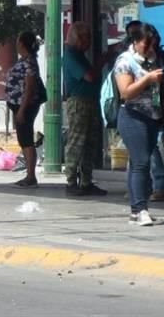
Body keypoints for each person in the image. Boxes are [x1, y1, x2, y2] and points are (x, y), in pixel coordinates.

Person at [114, 23, 164, 227]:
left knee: (140, 163)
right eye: (146, 45)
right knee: (141, 162)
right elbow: (126, 92)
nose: (150, 49)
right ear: (135, 42)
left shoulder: (153, 60)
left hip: (152, 116)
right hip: (132, 115)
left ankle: (137, 210)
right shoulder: (125, 62)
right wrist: (147, 79)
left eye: (153, 45)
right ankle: (140, 207)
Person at [62, 21, 108, 196]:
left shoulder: (80, 55)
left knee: (90, 142)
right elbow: (89, 76)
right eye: (86, 37)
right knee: (77, 142)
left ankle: (86, 180)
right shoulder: (71, 55)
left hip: (90, 100)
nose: (89, 42)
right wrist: (102, 61)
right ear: (78, 38)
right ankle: (71, 180)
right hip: (79, 103)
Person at [5, 31, 46, 188]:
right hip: (19, 105)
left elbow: (29, 87)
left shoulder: (28, 62)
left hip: (25, 106)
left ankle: (30, 176)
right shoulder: (26, 61)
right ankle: (30, 175)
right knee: (24, 139)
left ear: (21, 44)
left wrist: (22, 110)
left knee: (26, 139)